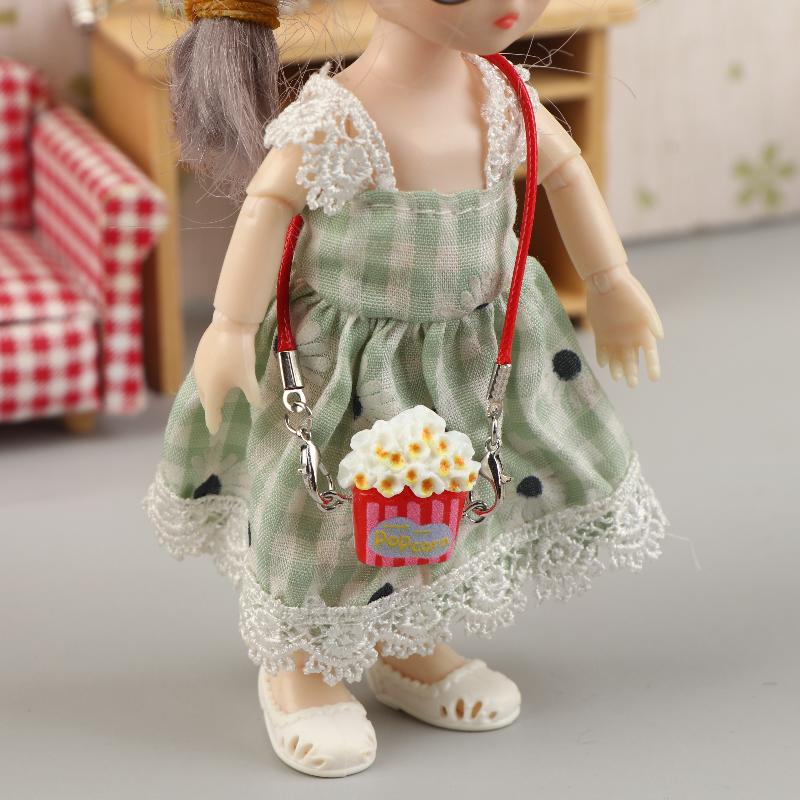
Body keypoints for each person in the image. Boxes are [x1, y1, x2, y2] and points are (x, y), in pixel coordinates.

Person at [145, 0, 667, 778]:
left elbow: (564, 170)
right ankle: (299, 667)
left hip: (468, 360)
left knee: (440, 505)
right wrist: (228, 329)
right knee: (326, 520)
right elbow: (267, 208)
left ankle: (408, 642)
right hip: (347, 373)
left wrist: (611, 280)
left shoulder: (502, 96)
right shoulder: (338, 120)